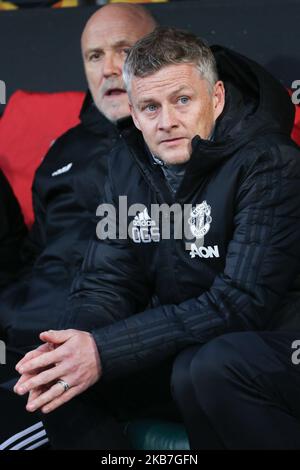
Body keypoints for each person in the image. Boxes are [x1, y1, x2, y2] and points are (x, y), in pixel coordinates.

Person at [13, 27, 300, 449]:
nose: (167, 122)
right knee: (59, 385)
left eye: (182, 100)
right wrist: (73, 347)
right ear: (132, 109)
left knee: (203, 369)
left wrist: (105, 350)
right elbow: (106, 281)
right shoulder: (128, 162)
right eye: (149, 107)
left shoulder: (271, 163)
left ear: (215, 97)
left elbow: (241, 303)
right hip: (191, 343)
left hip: (274, 343)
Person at [0, 3, 156, 450]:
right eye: (93, 56)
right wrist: (14, 312)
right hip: (27, 339)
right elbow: (37, 254)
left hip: (107, 344)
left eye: (123, 50)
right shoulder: (64, 149)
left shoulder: (184, 139)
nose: (108, 68)